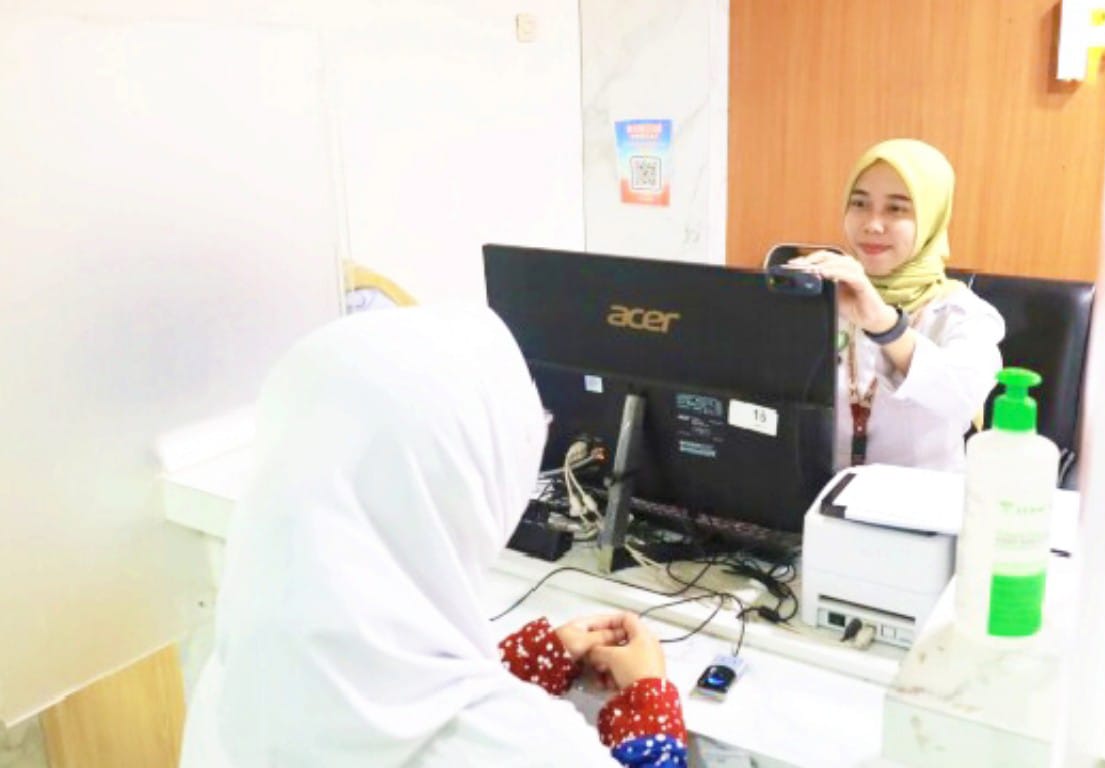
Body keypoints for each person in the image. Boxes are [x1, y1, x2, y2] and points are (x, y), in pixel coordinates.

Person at [180, 305, 688, 767]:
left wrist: (519, 666)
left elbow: (387, 703)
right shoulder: (527, 747)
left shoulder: (234, 676)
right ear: (458, 479)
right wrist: (648, 702)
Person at [787, 138, 1004, 472]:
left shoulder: (963, 314)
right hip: (823, 493)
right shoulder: (829, 294)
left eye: (897, 208)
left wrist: (885, 325)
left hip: (922, 497)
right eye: (859, 203)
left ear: (931, 219)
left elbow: (962, 399)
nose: (872, 224)